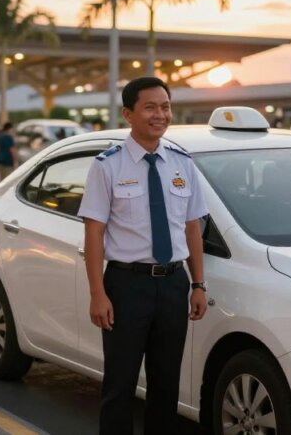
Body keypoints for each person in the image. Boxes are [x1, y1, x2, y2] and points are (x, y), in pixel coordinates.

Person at [78, 77, 209, 434]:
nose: (160, 115)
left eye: (165, 106)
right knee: (119, 384)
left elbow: (192, 227)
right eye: (150, 107)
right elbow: (94, 232)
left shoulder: (183, 163)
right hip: (125, 285)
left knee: (166, 385)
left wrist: (198, 284)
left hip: (172, 284)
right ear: (128, 113)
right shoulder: (108, 166)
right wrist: (97, 293)